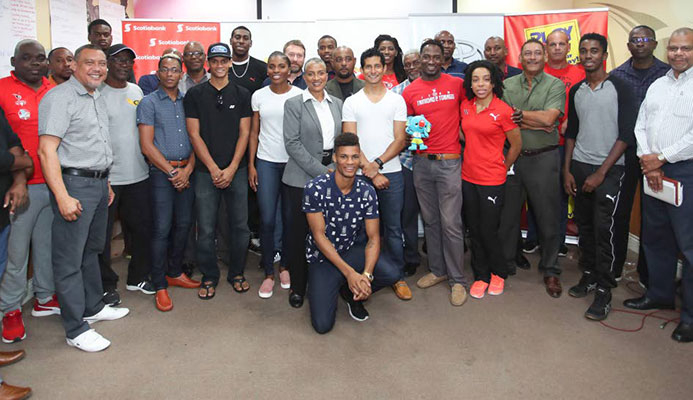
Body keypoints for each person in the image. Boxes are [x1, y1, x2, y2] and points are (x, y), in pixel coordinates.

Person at [38, 44, 130, 352]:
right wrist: (62, 196)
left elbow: (94, 144)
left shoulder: (96, 96)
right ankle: (75, 327)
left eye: (102, 63)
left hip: (98, 183)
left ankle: (93, 306)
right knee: (68, 260)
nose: (98, 68)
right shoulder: (60, 98)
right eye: (90, 62)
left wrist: (105, 182)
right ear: (74, 66)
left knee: (92, 251)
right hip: (73, 186)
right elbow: (46, 150)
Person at [624, 27, 693, 343]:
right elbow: (641, 124)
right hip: (651, 169)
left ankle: (690, 317)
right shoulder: (658, 84)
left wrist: (660, 158)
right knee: (656, 238)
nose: (679, 54)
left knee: (689, 247)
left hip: (684, 172)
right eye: (675, 48)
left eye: (686, 48)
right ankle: (660, 293)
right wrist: (647, 159)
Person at [563, 33, 637, 321]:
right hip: (579, 166)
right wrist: (567, 170)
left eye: (594, 50)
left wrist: (601, 173)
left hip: (610, 169)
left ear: (604, 54)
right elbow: (571, 133)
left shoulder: (621, 87)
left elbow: (626, 135)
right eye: (583, 51)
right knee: (585, 227)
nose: (588, 55)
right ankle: (591, 275)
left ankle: (605, 290)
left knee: (604, 229)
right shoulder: (577, 90)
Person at [304, 132, 399, 333]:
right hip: (324, 257)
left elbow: (373, 238)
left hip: (351, 250)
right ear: (335, 158)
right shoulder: (315, 188)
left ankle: (350, 293)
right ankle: (340, 283)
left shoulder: (367, 191)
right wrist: (349, 274)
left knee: (392, 272)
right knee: (322, 326)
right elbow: (319, 236)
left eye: (355, 157)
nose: (350, 162)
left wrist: (365, 276)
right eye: (344, 157)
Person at [0, 40, 59, 344]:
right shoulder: (2, 89)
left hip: (53, 182)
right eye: (28, 59)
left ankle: (45, 297)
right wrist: (18, 177)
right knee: (17, 253)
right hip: (20, 188)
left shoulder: (53, 90)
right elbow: (6, 142)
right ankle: (9, 309)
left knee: (47, 246)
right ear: (14, 61)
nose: (35, 64)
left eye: (40, 59)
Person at [401, 40, 467, 306]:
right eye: (425, 56)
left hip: (449, 162)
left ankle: (458, 280)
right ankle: (438, 270)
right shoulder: (410, 92)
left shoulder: (457, 84)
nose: (430, 60)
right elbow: (408, 129)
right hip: (421, 163)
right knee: (431, 221)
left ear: (443, 59)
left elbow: (469, 114)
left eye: (435, 56)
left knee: (451, 222)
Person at [184, 42, 252, 299]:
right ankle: (210, 275)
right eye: (215, 61)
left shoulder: (243, 94)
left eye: (224, 61)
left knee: (240, 226)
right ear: (208, 64)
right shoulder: (195, 95)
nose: (220, 65)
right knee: (206, 228)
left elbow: (245, 133)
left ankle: (237, 273)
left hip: (237, 170)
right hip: (204, 172)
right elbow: (194, 134)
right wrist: (213, 168)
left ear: (230, 63)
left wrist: (233, 167)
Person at [498, 38, 566, 297]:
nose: (533, 57)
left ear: (545, 56)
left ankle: (551, 269)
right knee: (508, 217)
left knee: (548, 217)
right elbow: (502, 117)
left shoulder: (555, 84)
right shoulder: (506, 85)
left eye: (538, 53)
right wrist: (536, 120)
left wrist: (520, 117)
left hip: (543, 158)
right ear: (520, 58)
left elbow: (550, 118)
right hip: (513, 158)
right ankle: (503, 266)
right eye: (528, 53)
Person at [342, 48, 410, 300]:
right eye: (367, 66)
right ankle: (361, 275)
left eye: (376, 66)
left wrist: (376, 165)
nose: (372, 71)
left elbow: (400, 139)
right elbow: (350, 141)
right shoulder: (352, 102)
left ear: (384, 68)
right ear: (362, 69)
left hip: (390, 174)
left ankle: (397, 276)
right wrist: (369, 171)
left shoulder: (396, 100)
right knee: (360, 229)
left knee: (392, 227)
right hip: (358, 176)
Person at [137, 53, 200, 312]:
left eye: (175, 70)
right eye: (166, 69)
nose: (171, 74)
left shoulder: (190, 101)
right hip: (162, 175)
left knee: (184, 224)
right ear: (158, 73)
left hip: (187, 171)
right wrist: (173, 173)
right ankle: (160, 282)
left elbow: (198, 139)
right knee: (162, 228)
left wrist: (188, 169)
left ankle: (175, 271)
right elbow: (146, 145)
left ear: (181, 73)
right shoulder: (148, 103)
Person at [610, 25, 671, 286]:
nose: (640, 43)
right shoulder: (616, 75)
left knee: (654, 217)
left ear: (655, 44)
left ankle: (648, 274)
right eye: (635, 40)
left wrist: (657, 156)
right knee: (619, 212)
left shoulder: (669, 75)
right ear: (628, 46)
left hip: (658, 157)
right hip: (625, 151)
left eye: (645, 39)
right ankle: (614, 267)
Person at [282, 57, 343, 308]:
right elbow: (292, 143)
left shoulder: (338, 104)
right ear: (304, 77)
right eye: (311, 74)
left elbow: (344, 140)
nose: (316, 78)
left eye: (320, 73)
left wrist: (336, 168)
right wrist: (323, 172)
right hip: (300, 178)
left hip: (334, 171)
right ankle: (298, 286)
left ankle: (327, 285)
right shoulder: (294, 103)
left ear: (326, 76)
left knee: (328, 234)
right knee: (298, 235)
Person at [97, 44, 153, 306]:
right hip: (108, 178)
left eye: (128, 61)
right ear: (108, 62)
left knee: (141, 230)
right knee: (103, 235)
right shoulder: (97, 93)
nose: (123, 64)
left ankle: (138, 277)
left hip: (138, 175)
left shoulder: (137, 91)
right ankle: (106, 285)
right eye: (118, 60)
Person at [460, 60, 521, 299]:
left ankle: (498, 272)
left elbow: (516, 144)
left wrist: (504, 167)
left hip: (492, 179)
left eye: (485, 79)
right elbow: (465, 134)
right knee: (473, 229)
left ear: (494, 82)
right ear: (470, 84)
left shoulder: (503, 110)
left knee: (489, 229)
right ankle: (481, 275)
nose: (481, 84)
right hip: (468, 177)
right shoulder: (465, 106)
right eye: (475, 79)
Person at [523, 29, 585, 256]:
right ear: (546, 50)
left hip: (565, 145)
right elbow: (526, 110)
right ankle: (533, 236)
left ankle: (558, 240)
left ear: (569, 47)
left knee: (559, 194)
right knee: (533, 192)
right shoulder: (536, 72)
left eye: (561, 44)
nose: (557, 48)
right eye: (552, 44)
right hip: (536, 140)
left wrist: (571, 119)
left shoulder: (580, 73)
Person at [248, 51, 302, 298]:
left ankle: (286, 267)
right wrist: (251, 165)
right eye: (272, 66)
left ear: (290, 68)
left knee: (291, 220)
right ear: (267, 69)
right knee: (268, 219)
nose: (276, 70)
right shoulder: (259, 95)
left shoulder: (300, 95)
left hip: (293, 164)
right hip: (266, 162)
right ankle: (269, 271)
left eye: (282, 66)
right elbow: (253, 132)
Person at [0, 107, 32, 400]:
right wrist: (20, 161)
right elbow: (11, 155)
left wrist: (19, 176)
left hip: (6, 197)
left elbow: (12, 142)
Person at [392, 49, 422, 276]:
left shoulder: (436, 89)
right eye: (407, 64)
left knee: (436, 214)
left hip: (435, 160)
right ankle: (411, 256)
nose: (412, 67)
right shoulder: (396, 93)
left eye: (416, 62)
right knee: (408, 213)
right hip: (406, 162)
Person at [228, 26, 267, 95]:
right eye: (237, 37)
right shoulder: (222, 67)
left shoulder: (262, 68)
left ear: (250, 43)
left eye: (245, 38)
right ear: (231, 41)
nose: (241, 41)